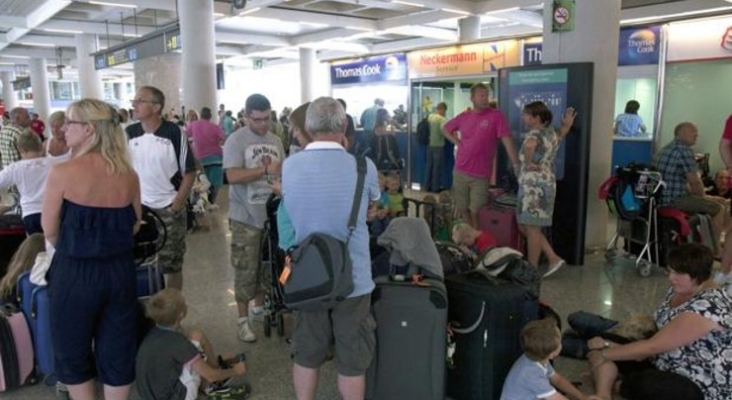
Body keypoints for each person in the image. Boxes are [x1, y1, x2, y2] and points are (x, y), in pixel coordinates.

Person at [41, 98, 142, 400]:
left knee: (73, 349)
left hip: (75, 271)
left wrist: (76, 246)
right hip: (120, 272)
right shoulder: (128, 175)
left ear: (88, 129)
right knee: (118, 349)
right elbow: (135, 224)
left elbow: (49, 230)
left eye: (69, 122)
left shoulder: (63, 172)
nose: (62, 129)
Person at [282, 97, 379, 400]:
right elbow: (370, 209)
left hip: (308, 276)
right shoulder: (364, 167)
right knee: (352, 359)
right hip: (355, 277)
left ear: (308, 127)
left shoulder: (290, 166)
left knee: (307, 351)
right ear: (345, 125)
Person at [587, 243, 732, 400]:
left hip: (698, 381)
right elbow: (654, 341)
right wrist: (608, 348)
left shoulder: (708, 306)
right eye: (670, 271)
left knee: (646, 383)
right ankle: (604, 394)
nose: (670, 277)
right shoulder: (679, 289)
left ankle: (613, 382)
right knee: (605, 341)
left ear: (697, 275)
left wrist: (604, 355)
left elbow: (652, 347)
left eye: (678, 273)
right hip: (662, 360)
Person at [223, 94, 284, 343]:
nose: (263, 125)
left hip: (270, 213)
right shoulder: (235, 141)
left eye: (267, 119)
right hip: (244, 216)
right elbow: (233, 176)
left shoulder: (277, 140)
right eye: (257, 120)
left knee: (269, 266)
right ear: (246, 116)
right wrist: (265, 170)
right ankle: (242, 319)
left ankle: (260, 309)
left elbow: (282, 171)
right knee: (246, 269)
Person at [127, 86, 196, 291]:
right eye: (135, 100)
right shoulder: (130, 133)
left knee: (172, 266)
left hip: (168, 208)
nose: (134, 104)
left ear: (156, 107)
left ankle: (172, 319)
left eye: (140, 101)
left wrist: (176, 205)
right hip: (139, 209)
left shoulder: (173, 132)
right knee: (140, 261)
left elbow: (189, 172)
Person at [136, 288, 249, 400]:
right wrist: (235, 371)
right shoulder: (179, 344)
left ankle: (212, 369)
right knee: (197, 341)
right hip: (176, 396)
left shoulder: (153, 332)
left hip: (152, 393)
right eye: (184, 304)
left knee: (193, 344)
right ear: (181, 314)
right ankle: (211, 385)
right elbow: (210, 376)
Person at [443, 83, 519, 228]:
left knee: (477, 210)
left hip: (481, 174)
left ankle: (478, 239)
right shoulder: (464, 116)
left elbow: (507, 140)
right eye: (482, 95)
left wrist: (516, 164)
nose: (485, 99)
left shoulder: (496, 116)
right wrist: (458, 142)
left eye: (487, 95)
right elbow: (445, 129)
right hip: (460, 170)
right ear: (472, 98)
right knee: (462, 208)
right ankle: (469, 238)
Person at [518, 102, 576, 277]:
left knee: (532, 228)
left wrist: (528, 163)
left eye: (527, 115)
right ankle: (552, 257)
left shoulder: (534, 134)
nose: (524, 118)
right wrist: (567, 125)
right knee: (526, 226)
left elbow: (529, 146)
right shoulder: (550, 132)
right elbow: (561, 134)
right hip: (546, 183)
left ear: (536, 118)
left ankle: (532, 269)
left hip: (533, 187)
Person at [656, 122, 723, 250]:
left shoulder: (666, 149)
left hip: (662, 198)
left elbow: (680, 182)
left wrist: (704, 197)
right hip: (675, 201)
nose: (697, 135)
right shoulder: (684, 151)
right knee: (719, 208)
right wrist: (704, 198)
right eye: (693, 132)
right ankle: (715, 250)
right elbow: (695, 182)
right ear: (682, 133)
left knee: (716, 200)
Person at [501, 318, 601, 400]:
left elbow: (557, 380)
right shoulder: (531, 373)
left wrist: (582, 397)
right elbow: (556, 398)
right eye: (560, 342)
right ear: (552, 354)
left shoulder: (539, 358)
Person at [0, 133, 49, 234]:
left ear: (21, 150)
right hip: (52, 212)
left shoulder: (16, 168)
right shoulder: (53, 164)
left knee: (35, 245)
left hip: (30, 213)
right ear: (41, 146)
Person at [187, 107, 226, 205]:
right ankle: (212, 201)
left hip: (200, 159)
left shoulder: (193, 125)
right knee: (216, 182)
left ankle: (203, 202)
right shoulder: (215, 126)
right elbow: (224, 138)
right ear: (211, 116)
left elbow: (186, 135)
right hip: (216, 158)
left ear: (200, 115)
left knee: (202, 181)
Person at [425, 102, 448, 192]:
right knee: (437, 168)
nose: (445, 112)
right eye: (445, 110)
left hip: (429, 145)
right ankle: (435, 188)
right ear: (442, 109)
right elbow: (445, 132)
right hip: (438, 146)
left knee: (429, 167)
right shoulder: (442, 119)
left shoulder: (430, 117)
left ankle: (426, 186)